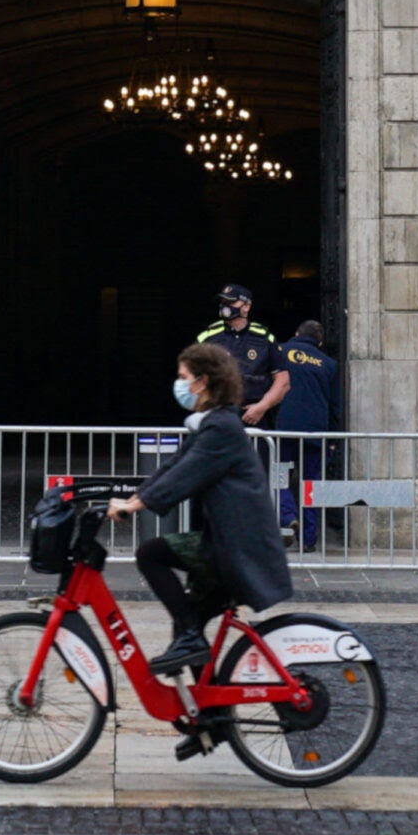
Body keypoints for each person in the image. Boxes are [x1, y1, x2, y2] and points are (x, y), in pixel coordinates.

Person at [106, 343, 292, 675]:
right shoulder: (213, 424)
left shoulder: (221, 428)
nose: (178, 384)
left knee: (151, 554)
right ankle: (206, 718)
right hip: (231, 543)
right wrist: (130, 495)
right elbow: (172, 467)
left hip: (236, 548)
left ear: (202, 381)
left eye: (183, 377)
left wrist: (134, 505)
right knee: (186, 625)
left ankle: (193, 646)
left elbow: (184, 476)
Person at [247, 321, 342, 552]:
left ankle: (288, 515)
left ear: (296, 334)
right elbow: (335, 406)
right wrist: (332, 441)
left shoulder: (279, 351)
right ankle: (308, 540)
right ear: (319, 342)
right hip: (316, 432)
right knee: (310, 484)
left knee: (278, 476)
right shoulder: (328, 364)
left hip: (284, 428)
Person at [194, 283, 275, 414]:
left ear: (246, 306)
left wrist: (262, 406)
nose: (225, 306)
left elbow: (282, 380)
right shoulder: (207, 337)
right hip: (217, 415)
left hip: (255, 418)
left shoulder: (265, 338)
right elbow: (191, 377)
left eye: (230, 302)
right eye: (223, 301)